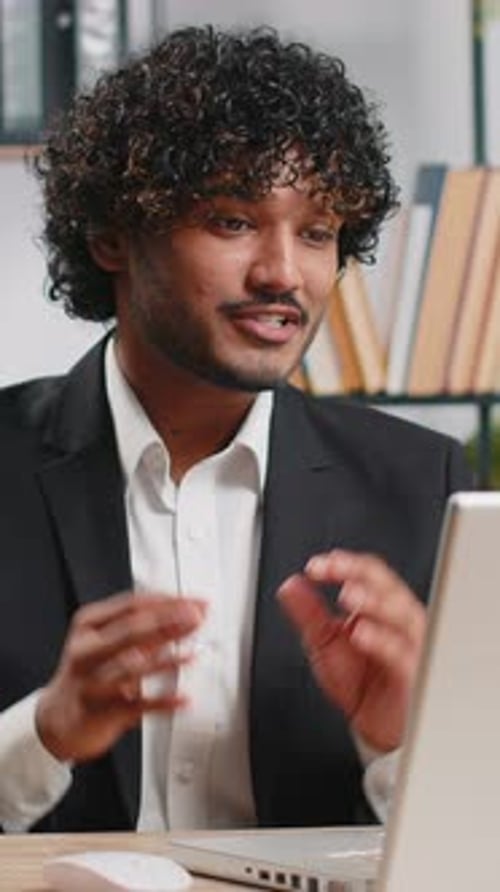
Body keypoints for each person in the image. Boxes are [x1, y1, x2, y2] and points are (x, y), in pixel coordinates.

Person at [0, 25, 472, 834]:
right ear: (115, 235)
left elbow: (475, 843)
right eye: (230, 220)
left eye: (318, 232)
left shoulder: (423, 486)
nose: (283, 274)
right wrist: (45, 732)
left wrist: (401, 744)